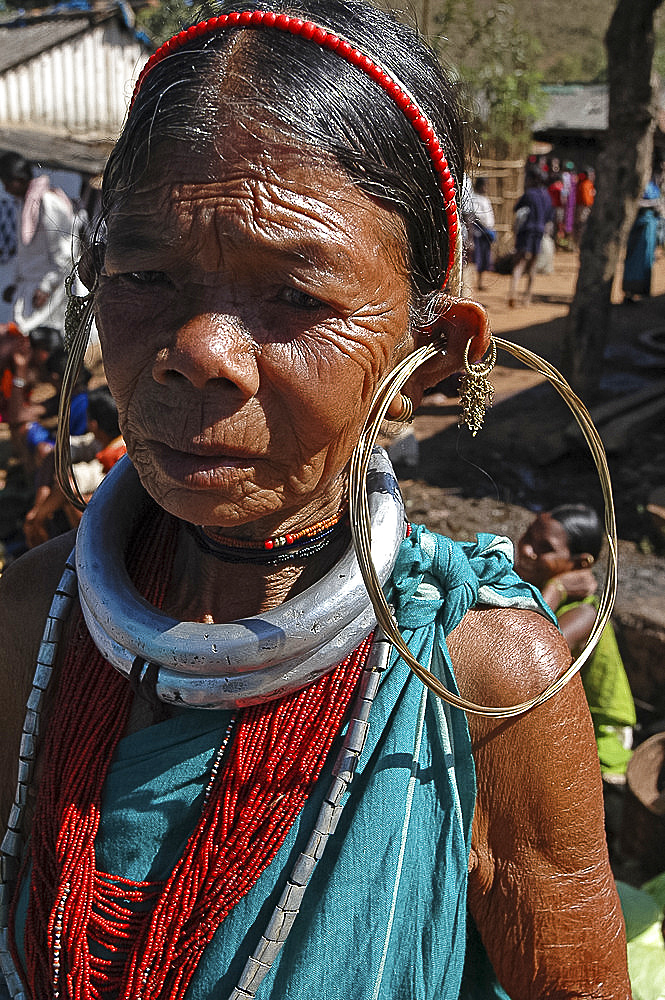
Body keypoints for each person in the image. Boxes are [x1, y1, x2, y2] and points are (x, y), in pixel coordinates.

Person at [0, 3, 630, 999]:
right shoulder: (30, 622)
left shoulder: (482, 683)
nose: (197, 348)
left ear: (436, 357)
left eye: (295, 296)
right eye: (145, 273)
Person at [515, 504, 636, 783]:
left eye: (544, 547)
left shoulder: (586, 613)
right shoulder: (530, 586)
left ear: (581, 565)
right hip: (562, 722)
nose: (526, 550)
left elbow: (530, 653)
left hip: (600, 737)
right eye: (528, 536)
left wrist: (556, 590)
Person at [0, 152, 76, 338]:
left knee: (41, 350)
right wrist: (15, 284)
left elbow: (66, 254)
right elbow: (26, 253)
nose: (6, 189)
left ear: (18, 179)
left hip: (47, 297)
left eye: (7, 184)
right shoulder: (25, 205)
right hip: (29, 293)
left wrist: (46, 287)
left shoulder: (49, 202)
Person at [508, 166, 554, 307]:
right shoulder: (546, 196)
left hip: (526, 231)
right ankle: (527, 297)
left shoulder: (529, 194)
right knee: (533, 264)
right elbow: (549, 218)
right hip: (539, 232)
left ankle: (513, 292)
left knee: (519, 262)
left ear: (532, 179)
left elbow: (516, 209)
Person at [622, 166, 663, 303]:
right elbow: (633, 203)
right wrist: (651, 204)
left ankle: (643, 290)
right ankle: (630, 291)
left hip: (650, 229)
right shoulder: (636, 186)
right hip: (639, 226)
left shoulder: (653, 186)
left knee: (647, 259)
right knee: (634, 259)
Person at [469, 176, 496, 291]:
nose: (486, 188)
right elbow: (476, 216)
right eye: (484, 185)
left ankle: (480, 282)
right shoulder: (474, 199)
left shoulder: (485, 199)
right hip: (479, 232)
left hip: (486, 232)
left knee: (485, 257)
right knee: (477, 258)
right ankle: (473, 283)